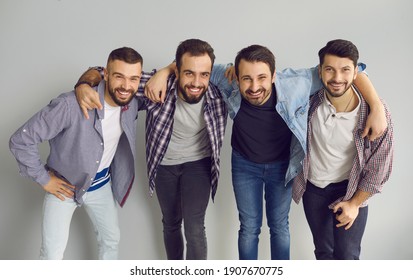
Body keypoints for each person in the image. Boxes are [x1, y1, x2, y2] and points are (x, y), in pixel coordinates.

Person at [145, 44, 387, 260]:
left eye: (262, 78)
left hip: (282, 164)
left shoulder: (296, 82)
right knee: (248, 227)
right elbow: (192, 64)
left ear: (273, 75)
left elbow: (351, 69)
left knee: (279, 226)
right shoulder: (224, 77)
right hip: (244, 164)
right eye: (246, 79)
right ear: (236, 77)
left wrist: (376, 106)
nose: (254, 86)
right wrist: (165, 72)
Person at [74, 39, 228, 260]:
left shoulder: (218, 91)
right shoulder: (157, 85)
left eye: (204, 74)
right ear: (177, 69)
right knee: (171, 223)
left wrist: (166, 70)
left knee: (194, 228)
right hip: (164, 164)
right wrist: (82, 85)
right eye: (188, 73)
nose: (196, 82)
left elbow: (246, 75)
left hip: (199, 163)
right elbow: (102, 72)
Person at [9, 47, 143, 259]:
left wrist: (171, 67)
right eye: (119, 77)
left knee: (111, 240)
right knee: (52, 254)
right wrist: (44, 179)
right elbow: (21, 140)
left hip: (101, 186)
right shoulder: (70, 105)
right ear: (105, 75)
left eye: (134, 78)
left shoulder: (132, 102)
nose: (126, 86)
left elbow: (165, 82)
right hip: (65, 188)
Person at [292, 39, 394, 260]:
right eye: (329, 70)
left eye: (345, 70)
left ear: (357, 72)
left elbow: (379, 168)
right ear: (319, 71)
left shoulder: (375, 114)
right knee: (323, 252)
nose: (337, 78)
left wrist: (355, 203)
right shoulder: (307, 104)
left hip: (351, 190)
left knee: (347, 256)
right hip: (314, 190)